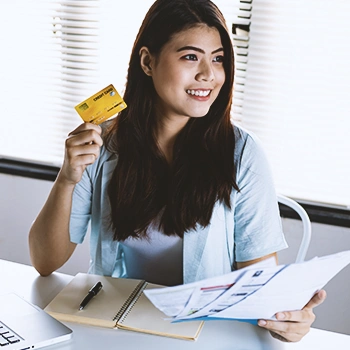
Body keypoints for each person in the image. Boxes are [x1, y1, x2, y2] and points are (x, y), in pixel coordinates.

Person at [29, 0, 326, 343]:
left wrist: (289, 319)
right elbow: (45, 261)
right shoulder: (105, 144)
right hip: (115, 328)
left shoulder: (243, 154)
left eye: (217, 59)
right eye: (190, 56)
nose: (208, 75)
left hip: (206, 334)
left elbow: (259, 280)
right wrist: (68, 177)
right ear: (147, 61)